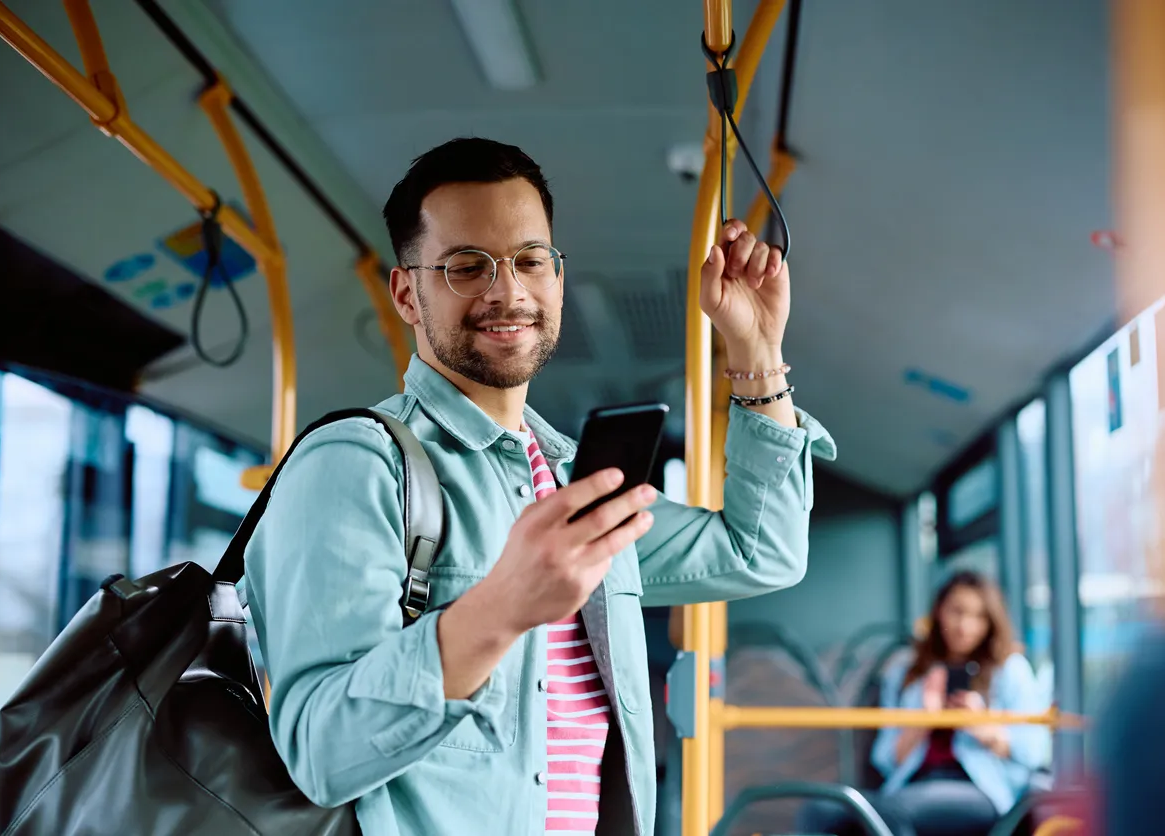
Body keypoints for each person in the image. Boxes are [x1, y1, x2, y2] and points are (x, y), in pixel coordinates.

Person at [242, 137, 835, 836]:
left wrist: (757, 351)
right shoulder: (354, 463)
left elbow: (760, 551)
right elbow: (318, 749)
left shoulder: (568, 478)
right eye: (468, 266)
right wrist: (499, 610)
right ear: (407, 293)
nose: (509, 292)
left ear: (556, 275)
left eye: (530, 261)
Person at [798, 570, 1050, 836]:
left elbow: (1034, 751)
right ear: (939, 611)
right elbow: (884, 759)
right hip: (910, 786)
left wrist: (986, 730)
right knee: (821, 810)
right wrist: (924, 720)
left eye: (979, 616)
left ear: (991, 622)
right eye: (957, 611)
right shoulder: (908, 672)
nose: (965, 625)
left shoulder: (1009, 670)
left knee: (887, 812)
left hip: (979, 790)